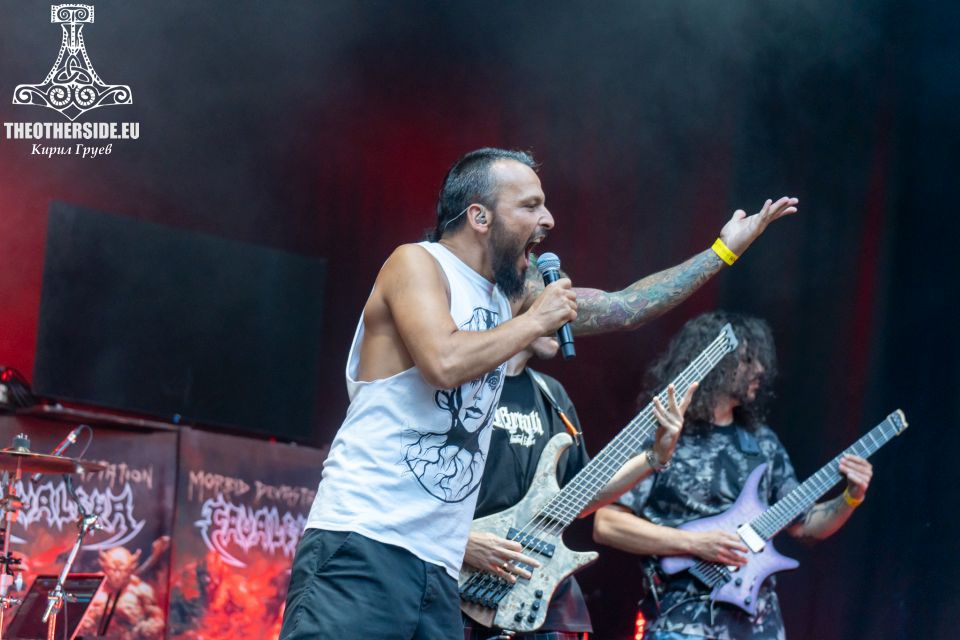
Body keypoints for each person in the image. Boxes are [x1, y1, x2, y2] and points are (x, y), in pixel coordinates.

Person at [279, 147, 799, 640]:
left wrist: (723, 251)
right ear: (479, 216)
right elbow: (443, 363)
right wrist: (535, 321)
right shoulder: (417, 264)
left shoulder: (509, 299)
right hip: (363, 543)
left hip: (438, 566)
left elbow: (627, 306)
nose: (548, 219)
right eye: (530, 206)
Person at [593, 312, 874, 640]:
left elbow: (807, 525)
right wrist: (695, 544)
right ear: (716, 363)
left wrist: (851, 496)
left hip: (759, 626)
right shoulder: (663, 438)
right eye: (748, 359)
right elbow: (607, 523)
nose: (760, 369)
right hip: (683, 623)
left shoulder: (763, 442)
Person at [462, 336, 695, 640]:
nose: (565, 324)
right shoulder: (464, 385)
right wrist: (461, 544)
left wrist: (655, 456)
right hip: (465, 585)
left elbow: (581, 498)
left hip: (542, 595)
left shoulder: (552, 395)